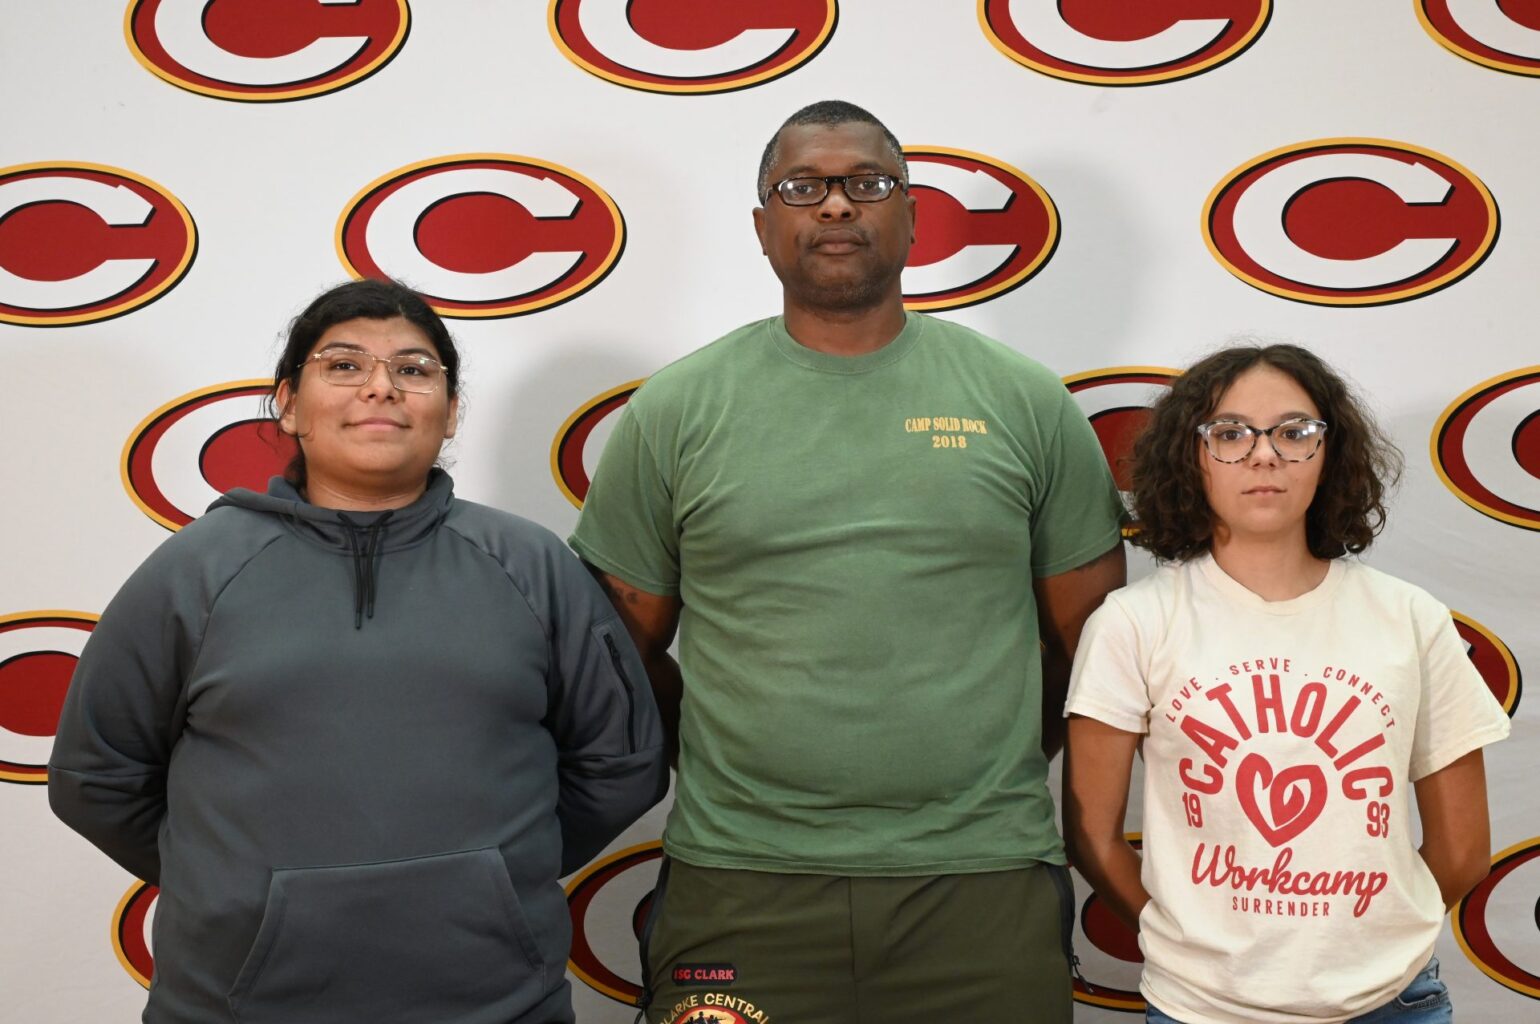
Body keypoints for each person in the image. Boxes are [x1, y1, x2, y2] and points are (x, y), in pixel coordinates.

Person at [569, 100, 1127, 1023]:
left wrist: (980, 765)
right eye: (802, 187)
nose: (835, 205)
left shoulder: (1024, 402)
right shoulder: (676, 410)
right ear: (762, 227)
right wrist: (730, 756)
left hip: (979, 881)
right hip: (741, 880)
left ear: (912, 216)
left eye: (867, 183)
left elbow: (1097, 654)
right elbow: (623, 652)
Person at [49, 278, 668, 1024]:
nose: (381, 387)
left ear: (451, 411)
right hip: (235, 1008)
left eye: (413, 369)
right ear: (288, 404)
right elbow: (96, 778)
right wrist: (239, 892)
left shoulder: (531, 565)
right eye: (344, 365)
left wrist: (492, 881)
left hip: (500, 1004)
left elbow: (621, 764)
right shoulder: (196, 571)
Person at [1062, 344, 1510, 1024]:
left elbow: (1463, 849)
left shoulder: (1409, 617)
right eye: (1230, 433)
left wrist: (1374, 943)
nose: (1264, 455)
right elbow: (1092, 836)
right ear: (1191, 455)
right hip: (1201, 1008)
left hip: (1393, 1002)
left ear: (1330, 454)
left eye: (1295, 432)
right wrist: (1194, 949)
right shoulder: (1134, 622)